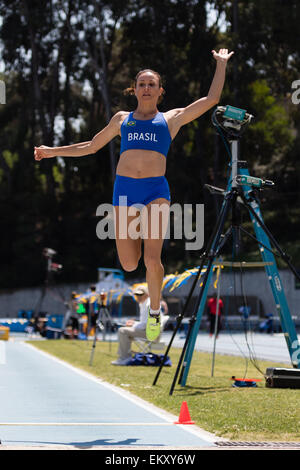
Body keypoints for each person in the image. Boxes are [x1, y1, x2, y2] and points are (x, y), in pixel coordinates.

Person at [34, 48, 234, 342]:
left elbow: (211, 100)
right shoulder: (121, 120)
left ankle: (154, 312)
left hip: (155, 192)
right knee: (129, 264)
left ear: (160, 91)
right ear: (135, 89)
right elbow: (90, 145)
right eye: (142, 83)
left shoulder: (171, 119)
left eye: (152, 84)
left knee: (152, 260)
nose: (147, 87)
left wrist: (220, 64)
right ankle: (144, 275)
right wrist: (53, 151)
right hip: (125, 192)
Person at [111, 284, 152, 365]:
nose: (138, 297)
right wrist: (134, 323)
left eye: (140, 294)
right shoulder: (144, 304)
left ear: (147, 295)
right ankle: (124, 357)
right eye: (137, 294)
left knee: (122, 331)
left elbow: (145, 325)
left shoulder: (148, 305)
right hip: (146, 330)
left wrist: (133, 324)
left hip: (149, 333)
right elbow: (144, 323)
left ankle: (125, 357)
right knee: (124, 331)